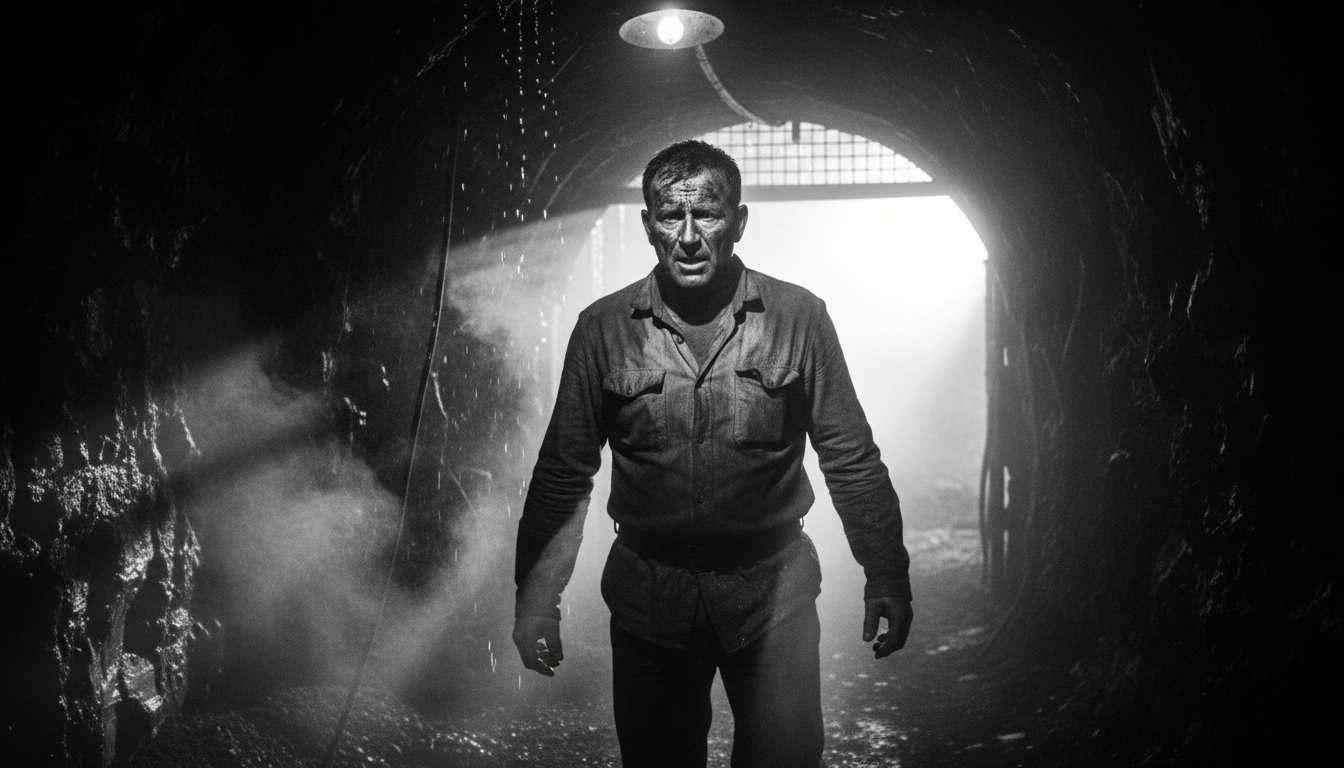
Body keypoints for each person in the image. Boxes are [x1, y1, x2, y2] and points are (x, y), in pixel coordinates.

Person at [512, 139, 913, 768]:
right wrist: (535, 595)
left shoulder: (798, 319)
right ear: (648, 226)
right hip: (650, 602)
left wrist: (886, 572)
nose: (690, 236)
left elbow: (850, 456)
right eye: (671, 217)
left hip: (772, 596)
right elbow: (564, 474)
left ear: (740, 221)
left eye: (708, 215)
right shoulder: (603, 329)